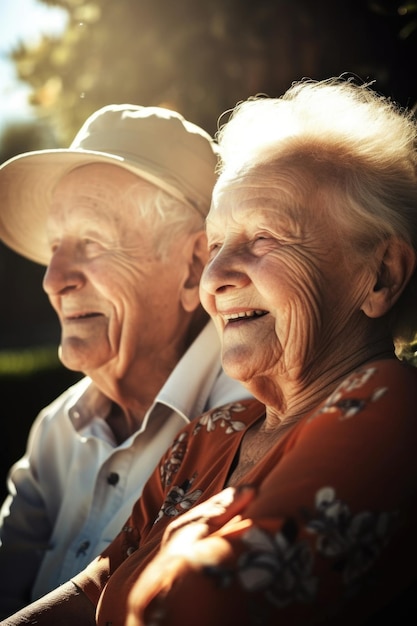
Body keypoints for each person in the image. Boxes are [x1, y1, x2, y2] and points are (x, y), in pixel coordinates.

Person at [3, 75, 417, 626]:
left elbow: (204, 604)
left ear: (382, 275)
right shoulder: (210, 435)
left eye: (265, 236)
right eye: (218, 243)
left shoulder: (394, 413)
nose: (216, 275)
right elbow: (93, 588)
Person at [0, 103, 251, 618]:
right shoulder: (55, 431)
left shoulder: (256, 420)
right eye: (54, 247)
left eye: (91, 242)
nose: (54, 280)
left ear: (193, 268)